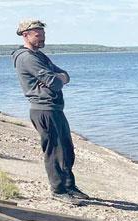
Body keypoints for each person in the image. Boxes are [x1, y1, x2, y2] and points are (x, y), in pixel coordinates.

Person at [11, 20, 88, 203]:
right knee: (54, 150)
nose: (42, 37)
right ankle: (58, 190)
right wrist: (58, 78)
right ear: (25, 35)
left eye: (43, 33)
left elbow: (63, 74)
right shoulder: (27, 57)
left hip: (54, 108)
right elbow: (54, 82)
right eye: (38, 34)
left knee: (67, 149)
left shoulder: (39, 56)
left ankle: (69, 185)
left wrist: (59, 77)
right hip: (43, 109)